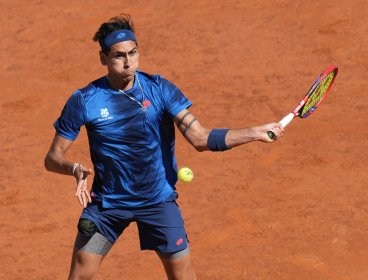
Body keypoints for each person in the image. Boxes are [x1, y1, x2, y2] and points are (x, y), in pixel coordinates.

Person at [44, 14, 283, 280]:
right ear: (103, 58)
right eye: (118, 56)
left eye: (133, 53)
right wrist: (74, 168)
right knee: (80, 277)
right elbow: (53, 158)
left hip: (157, 202)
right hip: (108, 206)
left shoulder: (160, 90)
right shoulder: (85, 100)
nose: (128, 63)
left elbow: (201, 138)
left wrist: (254, 132)